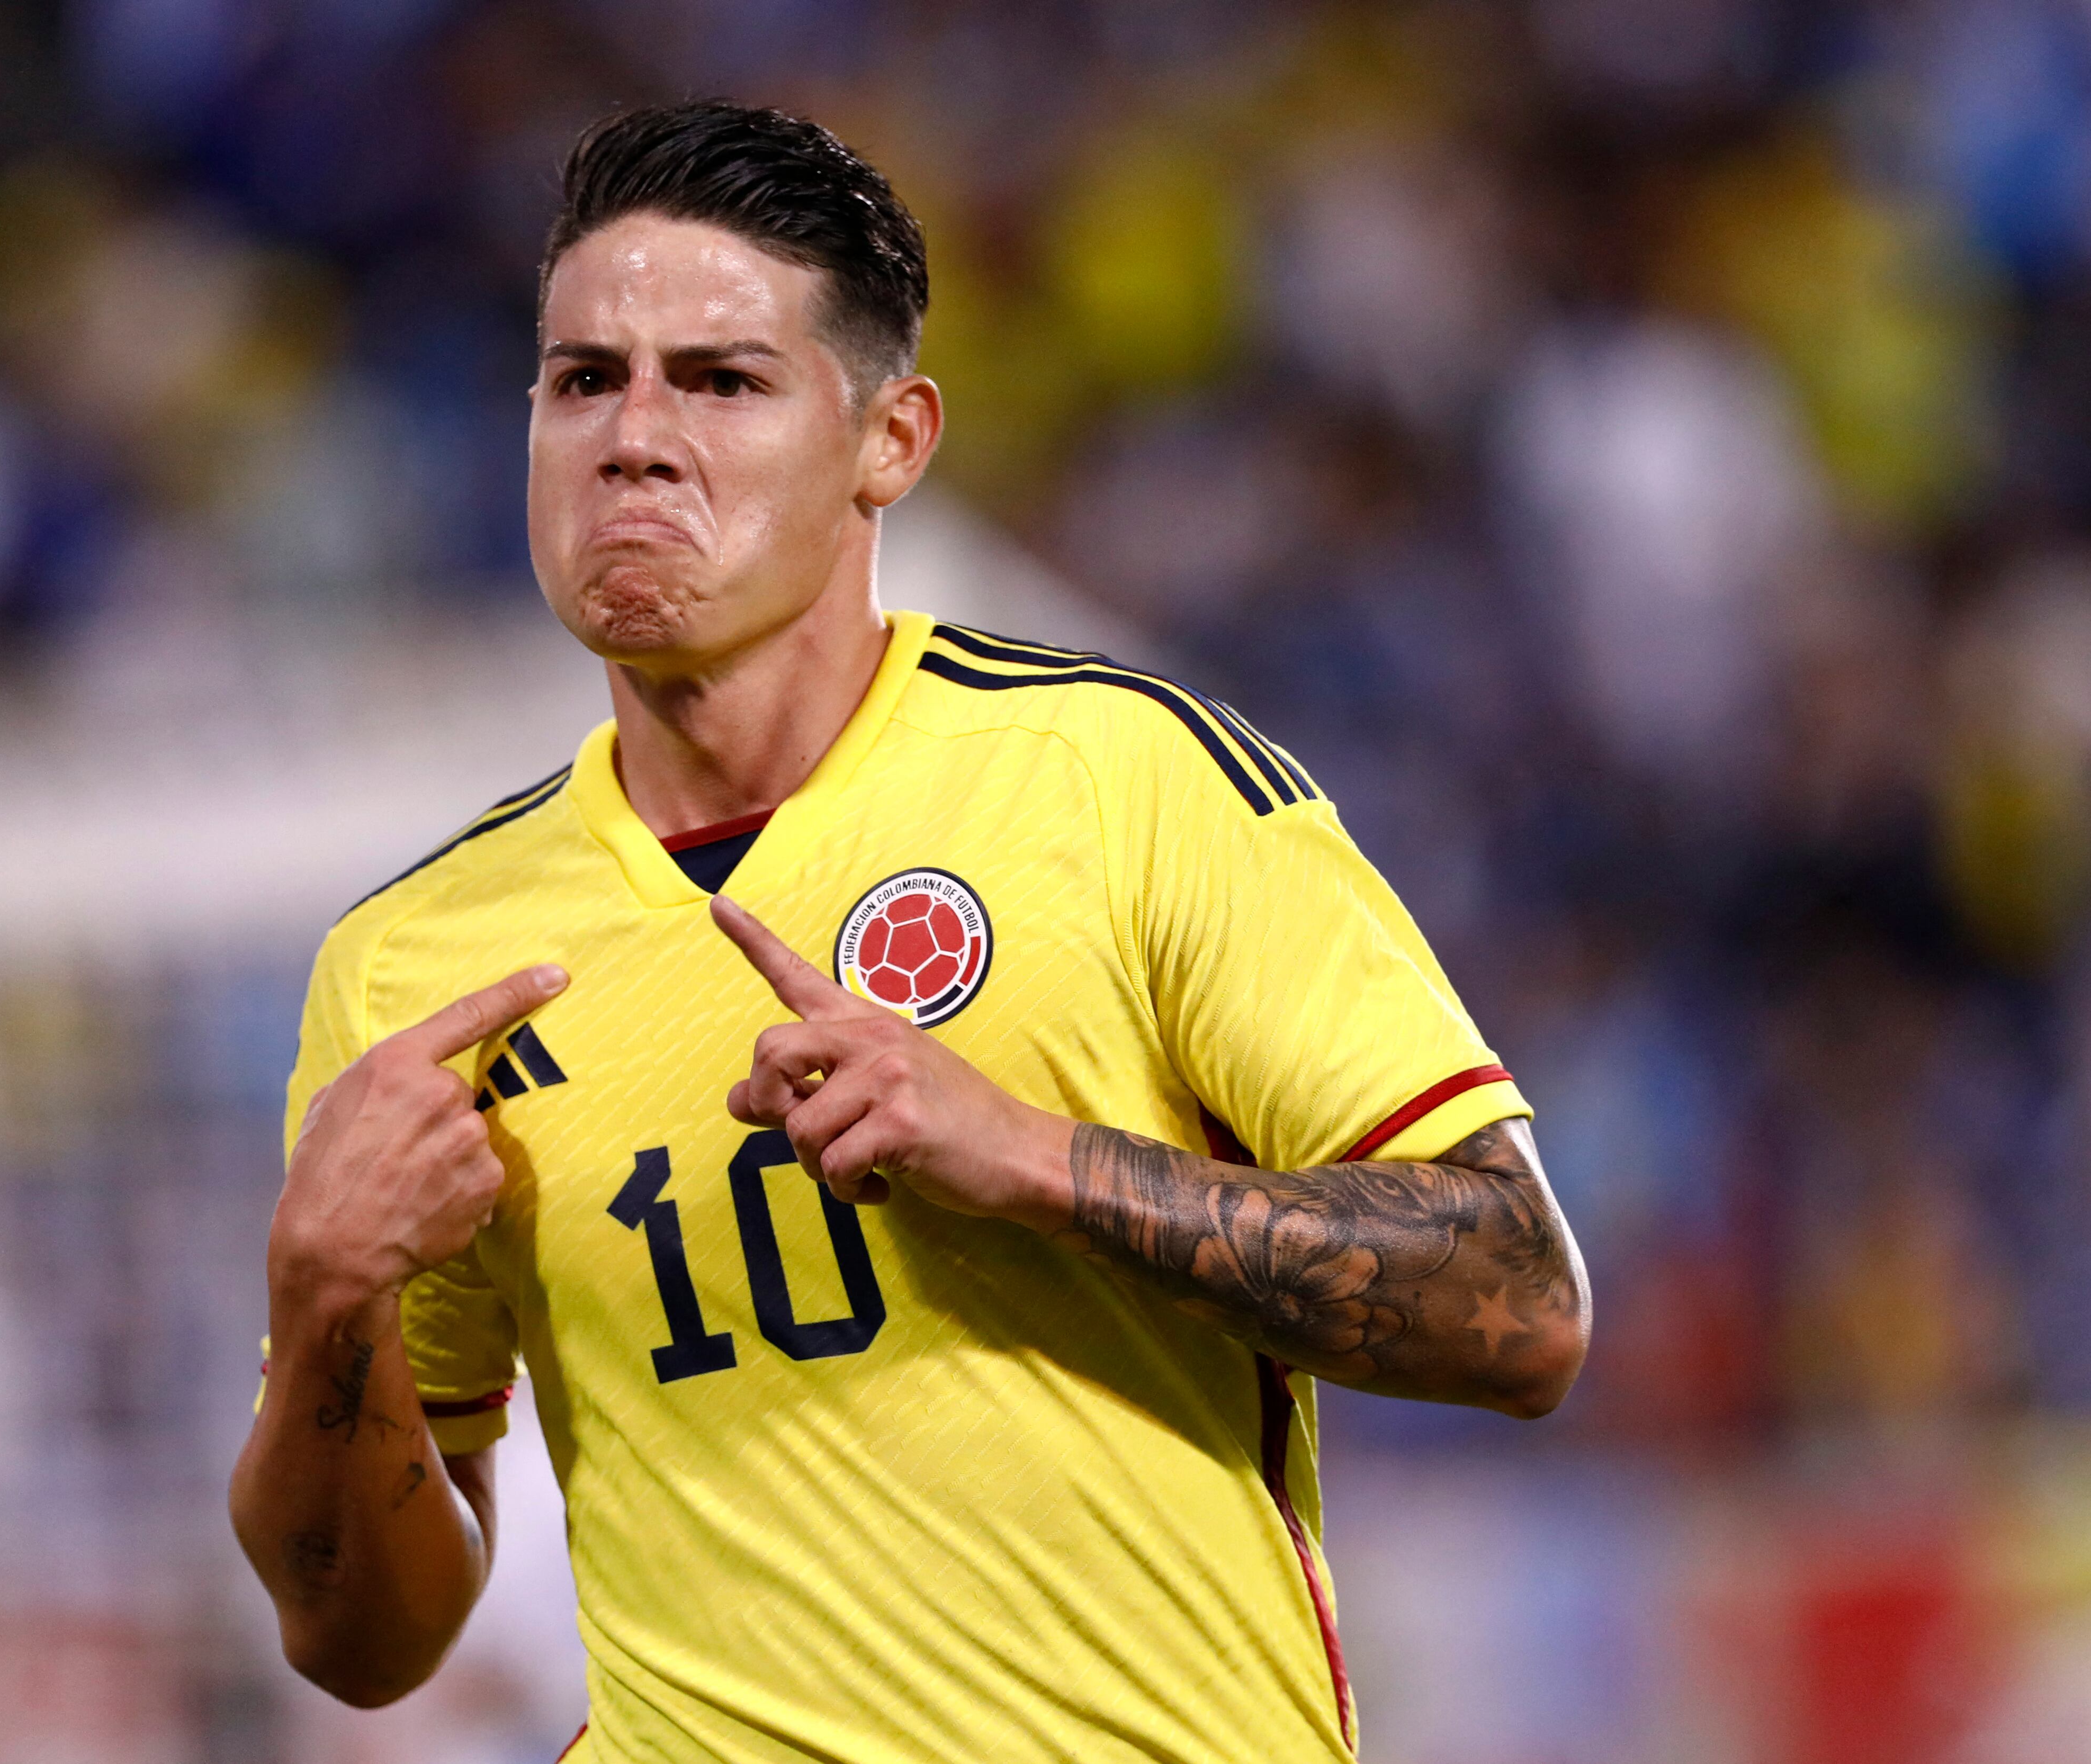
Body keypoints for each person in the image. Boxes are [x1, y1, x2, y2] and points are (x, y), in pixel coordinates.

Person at [229, 101, 1590, 1763]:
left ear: (892, 441)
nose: (634, 438)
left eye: (721, 381)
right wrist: (323, 1298)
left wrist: (1032, 1157)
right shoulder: (420, 958)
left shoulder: (1118, 778)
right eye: (586, 379)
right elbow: (366, 1641)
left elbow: (1522, 1303)